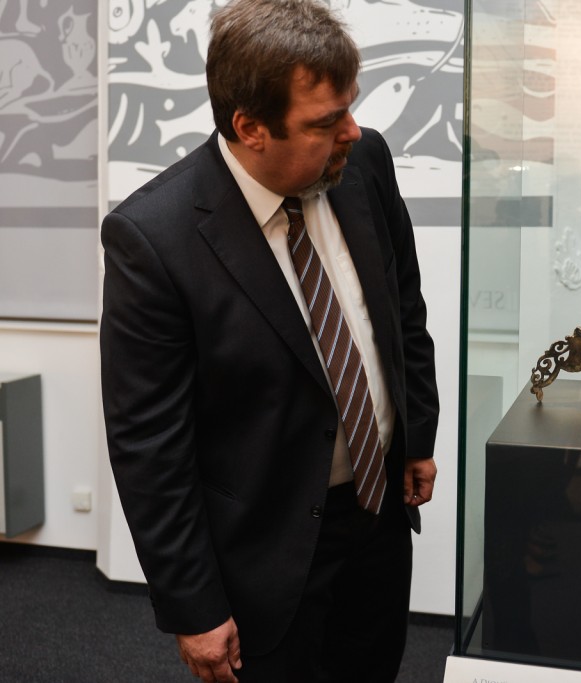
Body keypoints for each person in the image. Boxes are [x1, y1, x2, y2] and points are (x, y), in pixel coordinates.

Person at [99, 1, 439, 681]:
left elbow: (401, 306)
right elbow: (148, 444)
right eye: (324, 122)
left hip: (377, 517)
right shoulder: (154, 238)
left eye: (350, 107)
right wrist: (193, 606)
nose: (352, 130)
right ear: (250, 128)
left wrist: (415, 434)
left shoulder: (365, 162)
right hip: (266, 550)